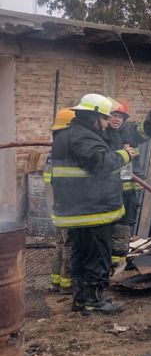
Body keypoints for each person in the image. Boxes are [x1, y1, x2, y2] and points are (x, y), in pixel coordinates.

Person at [50, 94, 136, 314]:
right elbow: (101, 163)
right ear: (94, 115)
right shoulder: (84, 137)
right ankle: (95, 302)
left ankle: (80, 300)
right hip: (92, 211)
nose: (108, 123)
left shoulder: (65, 135)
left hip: (77, 210)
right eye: (105, 118)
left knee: (80, 255)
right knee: (97, 257)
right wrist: (125, 155)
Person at [103, 98, 151, 270]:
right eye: (113, 115)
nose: (117, 119)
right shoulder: (101, 133)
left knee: (124, 225)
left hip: (127, 191)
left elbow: (144, 131)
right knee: (107, 226)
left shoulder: (129, 131)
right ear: (106, 117)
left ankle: (118, 263)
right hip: (106, 190)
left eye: (120, 117)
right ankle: (105, 260)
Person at [45, 108, 75, 294]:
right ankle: (67, 284)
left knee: (60, 244)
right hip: (67, 206)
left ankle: (55, 282)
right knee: (69, 245)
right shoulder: (65, 153)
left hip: (55, 207)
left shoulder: (53, 151)